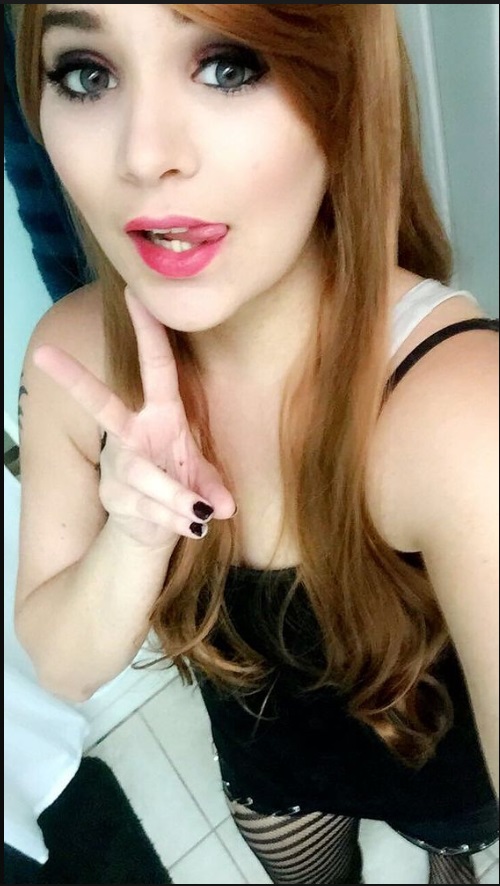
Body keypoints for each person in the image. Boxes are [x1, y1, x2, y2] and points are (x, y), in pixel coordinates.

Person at [11, 5, 498, 884]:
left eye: (228, 65)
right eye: (87, 73)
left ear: (344, 90)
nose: (143, 155)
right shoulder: (72, 362)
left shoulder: (458, 406)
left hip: (442, 768)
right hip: (273, 773)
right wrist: (135, 531)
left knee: (450, 862)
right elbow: (61, 665)